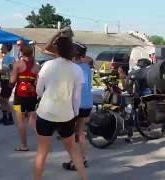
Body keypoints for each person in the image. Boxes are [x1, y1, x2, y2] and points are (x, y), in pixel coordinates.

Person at [34, 35, 87, 180]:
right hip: (66, 115)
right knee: (73, 151)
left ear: (57, 49)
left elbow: (38, 90)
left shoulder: (47, 65)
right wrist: (75, 114)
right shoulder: (77, 70)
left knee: (42, 152)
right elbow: (76, 97)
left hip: (45, 112)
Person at [62, 42, 92, 171]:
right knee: (80, 132)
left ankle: (74, 161)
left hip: (75, 104)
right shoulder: (86, 67)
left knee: (68, 134)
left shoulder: (70, 68)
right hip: (87, 103)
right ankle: (83, 159)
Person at [10, 45, 40, 151]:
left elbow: (12, 81)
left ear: (22, 52)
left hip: (19, 96)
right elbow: (38, 83)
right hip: (32, 96)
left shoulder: (17, 65)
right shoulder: (37, 66)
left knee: (21, 121)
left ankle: (23, 145)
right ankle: (42, 143)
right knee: (33, 120)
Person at [0, 44, 15, 125]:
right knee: (2, 99)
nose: (1, 48)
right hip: (5, 80)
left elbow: (4, 70)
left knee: (4, 99)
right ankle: (5, 116)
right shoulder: (8, 56)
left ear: (6, 47)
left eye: (2, 47)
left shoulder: (8, 57)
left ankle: (10, 118)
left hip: (7, 80)